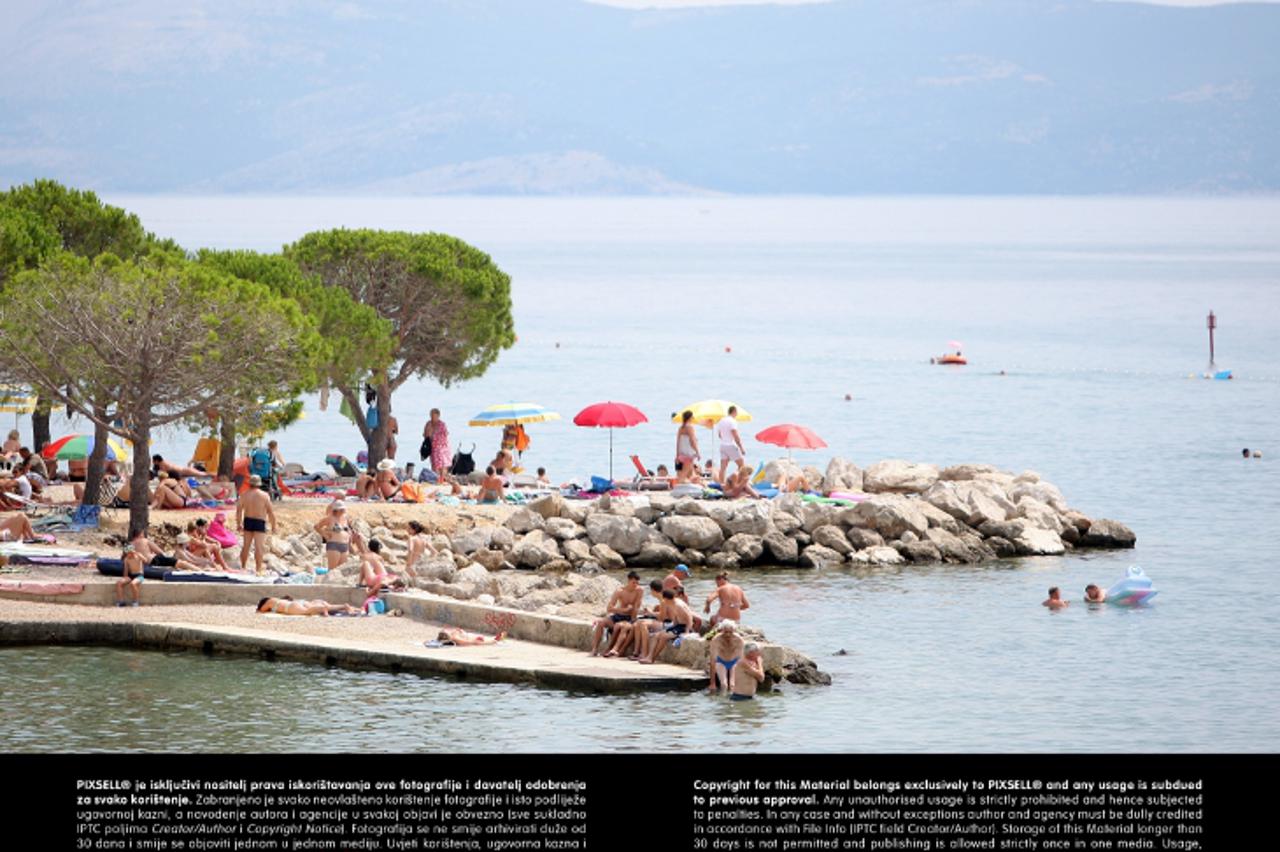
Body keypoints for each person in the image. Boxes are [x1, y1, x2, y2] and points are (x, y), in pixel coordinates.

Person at [589, 571, 644, 657]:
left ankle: (612, 649)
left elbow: (636, 607)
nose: (635, 585)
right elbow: (609, 608)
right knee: (600, 623)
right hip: (618, 615)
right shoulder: (619, 591)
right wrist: (623, 610)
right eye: (633, 583)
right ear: (628, 581)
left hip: (629, 618)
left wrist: (632, 619)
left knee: (622, 626)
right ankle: (594, 649)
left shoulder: (639, 591)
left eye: (637, 583)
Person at [640, 588, 695, 664]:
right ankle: (649, 657)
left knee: (663, 637)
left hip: (684, 627)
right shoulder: (672, 603)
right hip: (677, 626)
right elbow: (676, 616)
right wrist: (672, 626)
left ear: (666, 598)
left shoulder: (679, 605)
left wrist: (687, 631)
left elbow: (689, 617)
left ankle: (652, 658)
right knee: (655, 636)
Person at [236, 474, 276, 574]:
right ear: (259, 484)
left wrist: (239, 523)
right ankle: (258, 569)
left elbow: (239, 510)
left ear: (250, 484)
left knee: (246, 546)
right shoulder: (264, 495)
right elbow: (270, 512)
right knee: (259, 547)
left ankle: (243, 567)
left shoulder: (244, 495)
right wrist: (274, 526)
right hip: (259, 521)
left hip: (248, 520)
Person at [315, 500, 359, 571]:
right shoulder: (329, 518)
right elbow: (316, 526)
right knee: (332, 571)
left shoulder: (345, 518)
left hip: (345, 546)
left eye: (343, 509)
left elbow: (348, 530)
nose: (343, 511)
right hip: (334, 546)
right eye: (341, 509)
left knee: (341, 572)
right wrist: (324, 534)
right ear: (336, 510)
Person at [708, 619, 746, 694]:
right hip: (721, 661)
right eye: (726, 632)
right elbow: (712, 661)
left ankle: (732, 702)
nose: (728, 635)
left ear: (734, 631)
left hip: (734, 662)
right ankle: (723, 702)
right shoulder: (716, 640)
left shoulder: (739, 640)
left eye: (730, 632)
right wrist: (712, 683)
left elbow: (741, 660)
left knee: (732, 685)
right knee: (724, 684)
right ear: (722, 630)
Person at [715, 406, 748, 484]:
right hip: (730, 445)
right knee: (742, 465)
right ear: (734, 412)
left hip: (723, 446)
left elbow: (720, 435)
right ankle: (739, 482)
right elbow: (735, 435)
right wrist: (741, 448)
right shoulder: (732, 421)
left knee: (723, 467)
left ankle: (721, 484)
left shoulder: (721, 421)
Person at [256, 595, 362, 616]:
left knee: (307, 611)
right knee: (328, 606)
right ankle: (351, 607)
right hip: (298, 602)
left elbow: (260, 610)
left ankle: (324, 609)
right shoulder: (276, 600)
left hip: (291, 607)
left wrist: (260, 610)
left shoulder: (268, 602)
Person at [423, 409, 451, 480]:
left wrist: (433, 436)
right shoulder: (428, 424)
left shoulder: (442, 424)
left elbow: (445, 434)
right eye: (431, 415)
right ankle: (436, 478)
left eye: (434, 416)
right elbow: (425, 434)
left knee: (442, 464)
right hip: (432, 447)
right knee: (434, 464)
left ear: (438, 416)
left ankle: (442, 478)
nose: (433, 417)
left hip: (442, 447)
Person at [675, 410, 701, 483]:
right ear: (690, 418)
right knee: (684, 476)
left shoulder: (681, 428)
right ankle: (681, 487)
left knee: (691, 473)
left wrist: (677, 455)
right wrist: (697, 452)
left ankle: (694, 485)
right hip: (688, 454)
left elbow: (678, 442)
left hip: (681, 453)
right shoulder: (690, 427)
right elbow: (692, 441)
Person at [433, 627, 505, 646]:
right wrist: (493, 641)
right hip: (475, 639)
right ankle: (495, 640)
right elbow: (469, 643)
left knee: (491, 638)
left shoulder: (453, 634)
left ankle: (495, 639)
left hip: (473, 637)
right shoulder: (455, 637)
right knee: (491, 640)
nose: (445, 630)